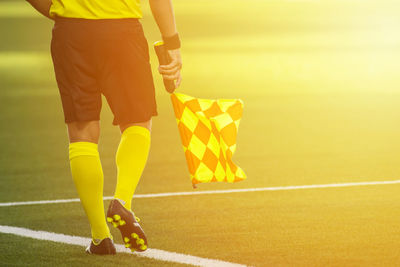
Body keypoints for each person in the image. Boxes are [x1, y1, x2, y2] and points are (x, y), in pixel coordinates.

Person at [26, 0, 182, 255]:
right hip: (122, 30)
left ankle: (100, 237)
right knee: (136, 121)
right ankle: (122, 201)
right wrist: (172, 42)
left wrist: (59, 10)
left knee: (82, 133)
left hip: (72, 33)